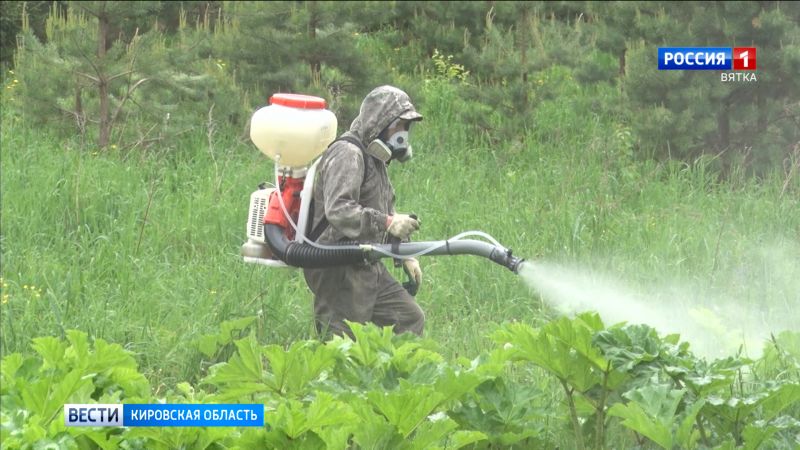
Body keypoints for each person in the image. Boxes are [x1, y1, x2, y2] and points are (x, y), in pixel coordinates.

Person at [303, 85, 425, 338]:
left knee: (409, 319)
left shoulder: (375, 158)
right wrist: (388, 222)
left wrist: (405, 253)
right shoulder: (348, 153)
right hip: (338, 266)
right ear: (380, 121)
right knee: (342, 345)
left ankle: (393, 366)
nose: (403, 134)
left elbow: (385, 211)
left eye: (406, 127)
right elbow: (339, 210)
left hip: (366, 262)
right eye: (399, 125)